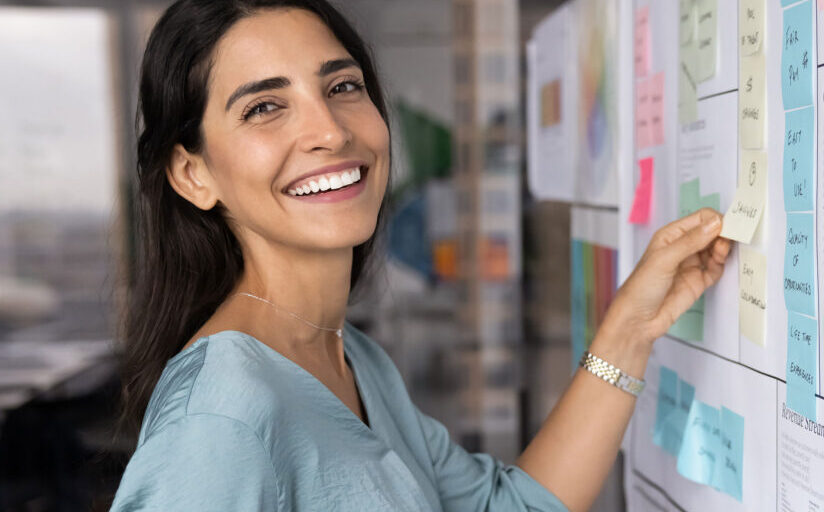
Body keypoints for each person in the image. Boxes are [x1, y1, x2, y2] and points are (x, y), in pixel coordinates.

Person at [110, 1, 732, 510]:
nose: (329, 130)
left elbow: (508, 508)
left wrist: (630, 328)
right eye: (265, 107)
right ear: (193, 174)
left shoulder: (354, 359)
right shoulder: (220, 420)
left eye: (343, 85)